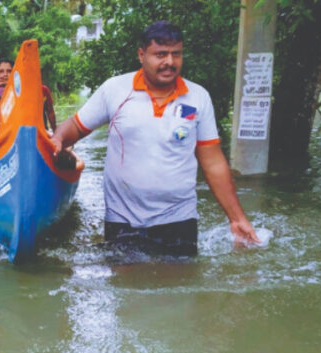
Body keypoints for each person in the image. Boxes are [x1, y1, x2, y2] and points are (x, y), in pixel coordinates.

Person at [51, 21, 259, 256]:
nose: (169, 62)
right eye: (161, 54)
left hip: (179, 218)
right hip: (123, 219)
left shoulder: (198, 98)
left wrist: (237, 218)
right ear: (142, 55)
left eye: (176, 54)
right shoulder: (115, 90)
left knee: (180, 289)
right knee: (126, 288)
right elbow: (75, 127)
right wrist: (57, 140)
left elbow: (213, 163)